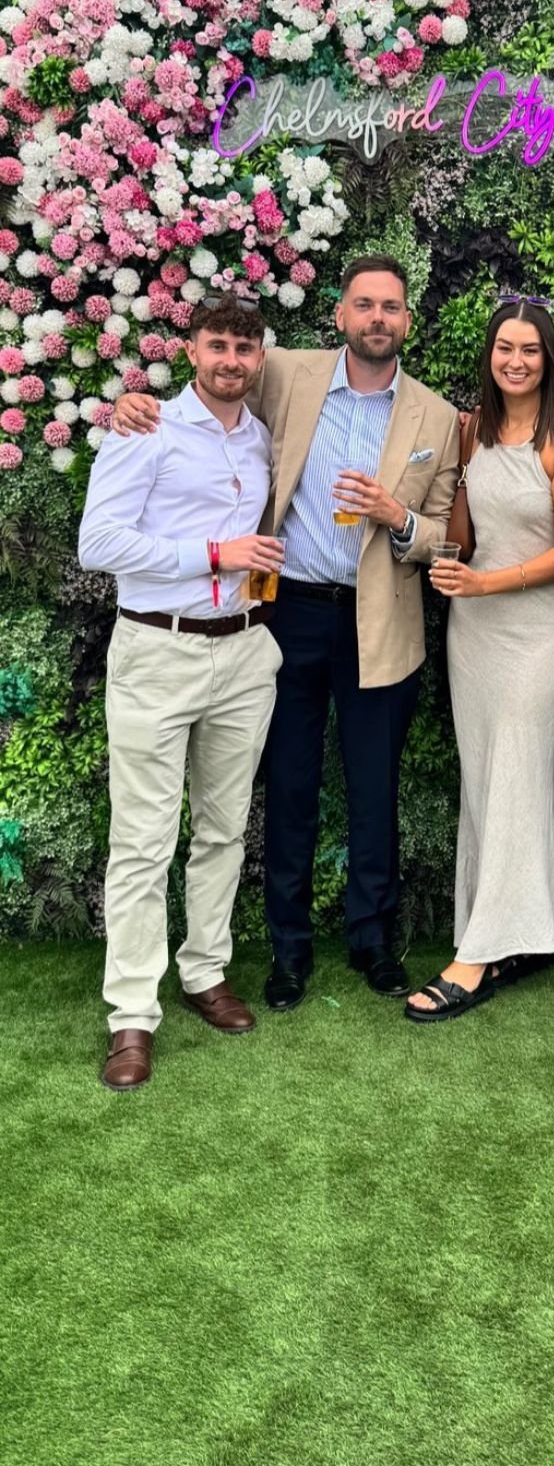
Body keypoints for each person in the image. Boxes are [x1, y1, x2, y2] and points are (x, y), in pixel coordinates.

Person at [111, 255, 460, 1010]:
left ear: (407, 319)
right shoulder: (283, 372)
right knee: (290, 789)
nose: (377, 318)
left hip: (380, 619)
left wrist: (398, 519)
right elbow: (206, 395)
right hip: (286, 612)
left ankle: (373, 941)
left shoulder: (436, 415)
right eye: (363, 305)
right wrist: (129, 408)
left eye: (390, 307)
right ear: (339, 315)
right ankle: (288, 953)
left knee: (374, 791)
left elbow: (443, 532)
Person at [79, 297, 284, 1091]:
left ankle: (204, 972)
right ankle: (131, 1014)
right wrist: (213, 552)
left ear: (258, 358)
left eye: (244, 347)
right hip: (157, 651)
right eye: (218, 345)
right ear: (192, 350)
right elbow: (98, 542)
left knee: (224, 830)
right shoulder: (145, 427)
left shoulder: (259, 436)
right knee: (141, 841)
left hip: (241, 654)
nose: (231, 359)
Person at [411, 298, 554, 1020]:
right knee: (485, 776)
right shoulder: (474, 431)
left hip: (538, 630)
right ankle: (517, 933)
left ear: (548, 358)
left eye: (529, 349)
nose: (515, 360)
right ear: (489, 355)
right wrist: (454, 546)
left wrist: (488, 581)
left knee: (518, 771)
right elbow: (462, 532)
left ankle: (479, 953)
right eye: (503, 348)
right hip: (474, 631)